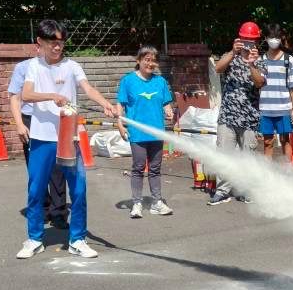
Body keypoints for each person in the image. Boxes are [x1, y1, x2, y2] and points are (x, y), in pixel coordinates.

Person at [16, 20, 117, 259]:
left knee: (79, 190)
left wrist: (105, 104)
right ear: (40, 42)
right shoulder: (34, 67)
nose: (57, 47)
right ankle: (34, 239)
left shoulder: (72, 66)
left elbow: (88, 88)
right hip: (41, 139)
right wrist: (53, 96)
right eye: (53, 43)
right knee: (36, 190)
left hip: (68, 139)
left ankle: (78, 239)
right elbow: (26, 95)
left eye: (61, 43)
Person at [207, 21, 265, 205]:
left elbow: (259, 83)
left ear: (257, 41)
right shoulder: (229, 56)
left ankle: (246, 189)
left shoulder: (260, 60)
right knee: (225, 154)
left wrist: (252, 64)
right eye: (245, 40)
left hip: (249, 118)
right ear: (239, 39)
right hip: (227, 116)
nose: (248, 44)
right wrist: (233, 52)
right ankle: (223, 190)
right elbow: (217, 69)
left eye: (252, 40)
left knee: (248, 156)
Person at [117, 46, 177, 219]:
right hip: (137, 132)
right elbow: (120, 104)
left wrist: (169, 111)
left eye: (154, 60)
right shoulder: (128, 81)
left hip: (157, 131)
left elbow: (165, 103)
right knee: (138, 167)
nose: (151, 63)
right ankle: (136, 203)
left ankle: (156, 202)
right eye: (147, 59)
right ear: (139, 61)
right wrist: (120, 124)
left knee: (155, 168)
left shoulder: (160, 82)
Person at [8, 57, 69, 227]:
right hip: (31, 119)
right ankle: (42, 209)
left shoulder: (61, 66)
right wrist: (19, 124)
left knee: (58, 168)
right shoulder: (24, 67)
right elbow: (15, 97)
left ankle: (59, 212)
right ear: (39, 44)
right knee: (37, 169)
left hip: (55, 118)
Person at [257, 29, 293, 161]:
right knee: (267, 142)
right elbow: (259, 83)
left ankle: (288, 171)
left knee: (285, 140)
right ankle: (268, 173)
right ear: (266, 38)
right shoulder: (261, 60)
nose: (274, 40)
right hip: (266, 109)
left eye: (276, 37)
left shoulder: (289, 59)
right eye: (271, 36)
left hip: (284, 109)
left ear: (281, 39)